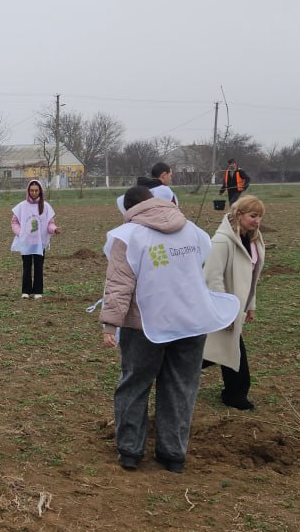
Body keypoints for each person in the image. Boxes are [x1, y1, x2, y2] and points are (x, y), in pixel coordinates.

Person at [100, 185, 239, 473]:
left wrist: (110, 324)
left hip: (144, 326)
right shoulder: (192, 230)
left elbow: (118, 285)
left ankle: (130, 451)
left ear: (128, 210)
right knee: (181, 387)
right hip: (191, 322)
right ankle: (173, 454)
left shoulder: (127, 236)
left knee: (135, 384)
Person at [201, 195, 265, 411]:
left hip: (237, 308)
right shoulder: (221, 241)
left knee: (221, 347)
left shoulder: (254, 239)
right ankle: (235, 395)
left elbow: (252, 276)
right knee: (229, 348)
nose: (257, 221)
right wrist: (223, 312)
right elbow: (212, 277)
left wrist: (251, 305)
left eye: (260, 216)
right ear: (239, 215)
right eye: (253, 215)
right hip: (224, 308)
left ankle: (174, 368)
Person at [10, 179, 61, 299]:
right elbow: (14, 222)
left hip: (40, 242)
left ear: (40, 191)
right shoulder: (22, 206)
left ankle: (38, 291)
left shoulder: (45, 206)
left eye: (36, 190)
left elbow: (50, 224)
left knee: (39, 266)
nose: (34, 193)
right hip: (26, 242)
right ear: (28, 191)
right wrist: (20, 233)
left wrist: (54, 229)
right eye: (31, 190)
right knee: (26, 266)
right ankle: (26, 291)